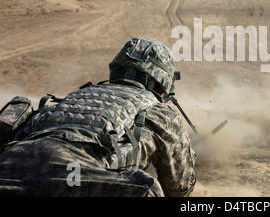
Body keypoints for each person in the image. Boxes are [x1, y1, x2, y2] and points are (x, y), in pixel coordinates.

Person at [0, 37, 196, 197]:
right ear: (161, 82)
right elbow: (178, 188)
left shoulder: (80, 95)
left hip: (11, 165)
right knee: (146, 190)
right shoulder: (158, 109)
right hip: (71, 172)